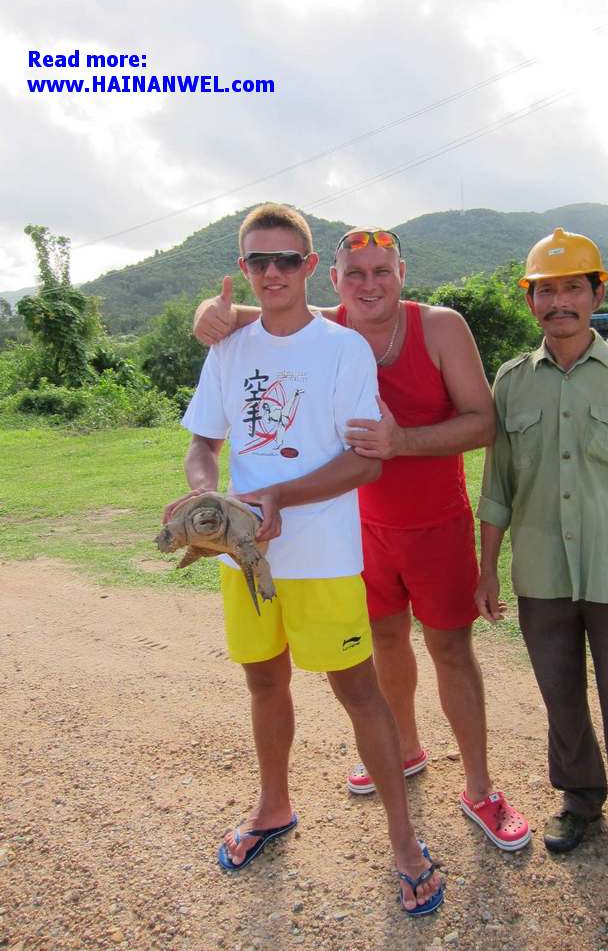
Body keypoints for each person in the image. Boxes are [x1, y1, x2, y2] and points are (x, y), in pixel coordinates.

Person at [194, 225, 531, 851]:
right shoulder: (332, 323)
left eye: (382, 271)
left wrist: (404, 441)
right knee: (382, 641)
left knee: (451, 651)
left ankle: (480, 786)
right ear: (334, 279)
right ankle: (403, 749)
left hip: (435, 521)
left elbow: (484, 423)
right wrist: (209, 315)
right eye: (356, 274)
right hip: (358, 524)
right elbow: (262, 303)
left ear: (402, 271)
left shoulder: (438, 327)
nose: (369, 284)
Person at [167, 204, 443, 915]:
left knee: (358, 692)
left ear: (309, 267)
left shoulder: (341, 349)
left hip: (320, 556)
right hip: (242, 558)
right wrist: (211, 501)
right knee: (264, 683)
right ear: (244, 268)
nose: (271, 273)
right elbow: (203, 442)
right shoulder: (228, 347)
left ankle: (405, 842)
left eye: (285, 260)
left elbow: (364, 462)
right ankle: (272, 806)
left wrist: (279, 497)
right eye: (257, 261)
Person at [475, 227, 608, 916]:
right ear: (530, 300)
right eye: (545, 289)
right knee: (561, 700)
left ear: (597, 293)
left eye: (571, 287)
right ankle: (579, 799)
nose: (558, 301)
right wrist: (487, 568)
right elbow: (498, 484)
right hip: (539, 574)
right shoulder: (510, 382)